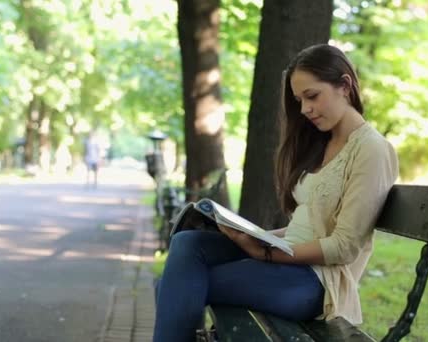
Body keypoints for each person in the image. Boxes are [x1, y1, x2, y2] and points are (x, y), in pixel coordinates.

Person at [152, 44, 399, 341]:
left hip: (315, 281)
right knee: (188, 243)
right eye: (299, 100)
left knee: (176, 284)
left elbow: (344, 246)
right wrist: (255, 236)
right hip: (286, 261)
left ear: (345, 86)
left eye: (312, 96)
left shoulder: (371, 149)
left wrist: (266, 252)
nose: (305, 109)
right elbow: (305, 226)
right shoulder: (322, 142)